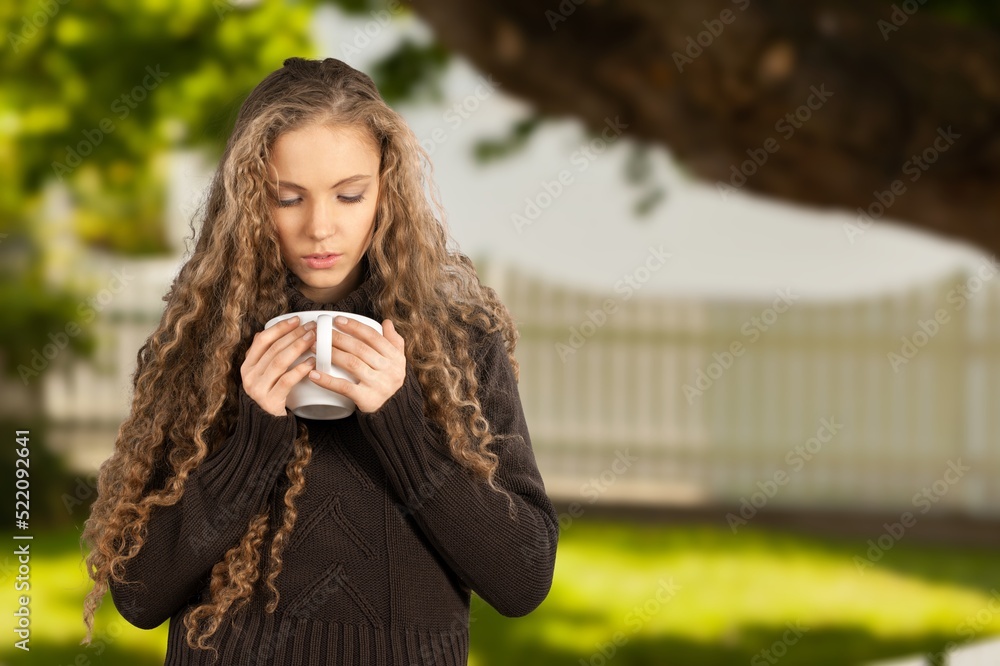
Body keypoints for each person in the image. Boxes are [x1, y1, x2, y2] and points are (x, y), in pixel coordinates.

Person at [80, 56, 559, 665]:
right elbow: (139, 596)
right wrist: (253, 441)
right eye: (287, 198)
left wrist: (402, 423)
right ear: (251, 201)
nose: (320, 227)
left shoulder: (458, 341)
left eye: (349, 194)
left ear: (387, 192)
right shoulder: (205, 340)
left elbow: (522, 581)